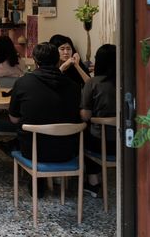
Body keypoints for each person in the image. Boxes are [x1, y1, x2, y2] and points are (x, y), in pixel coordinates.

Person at [8, 42, 82, 196]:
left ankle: (36, 180)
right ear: (57, 61)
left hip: (33, 150)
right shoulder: (74, 87)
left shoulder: (23, 83)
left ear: (35, 61)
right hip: (67, 151)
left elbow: (14, 119)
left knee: (18, 135)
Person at [80, 44, 117, 198]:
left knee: (82, 137)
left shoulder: (93, 83)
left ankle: (93, 182)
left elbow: (85, 115)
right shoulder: (128, 81)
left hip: (102, 143)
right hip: (124, 143)